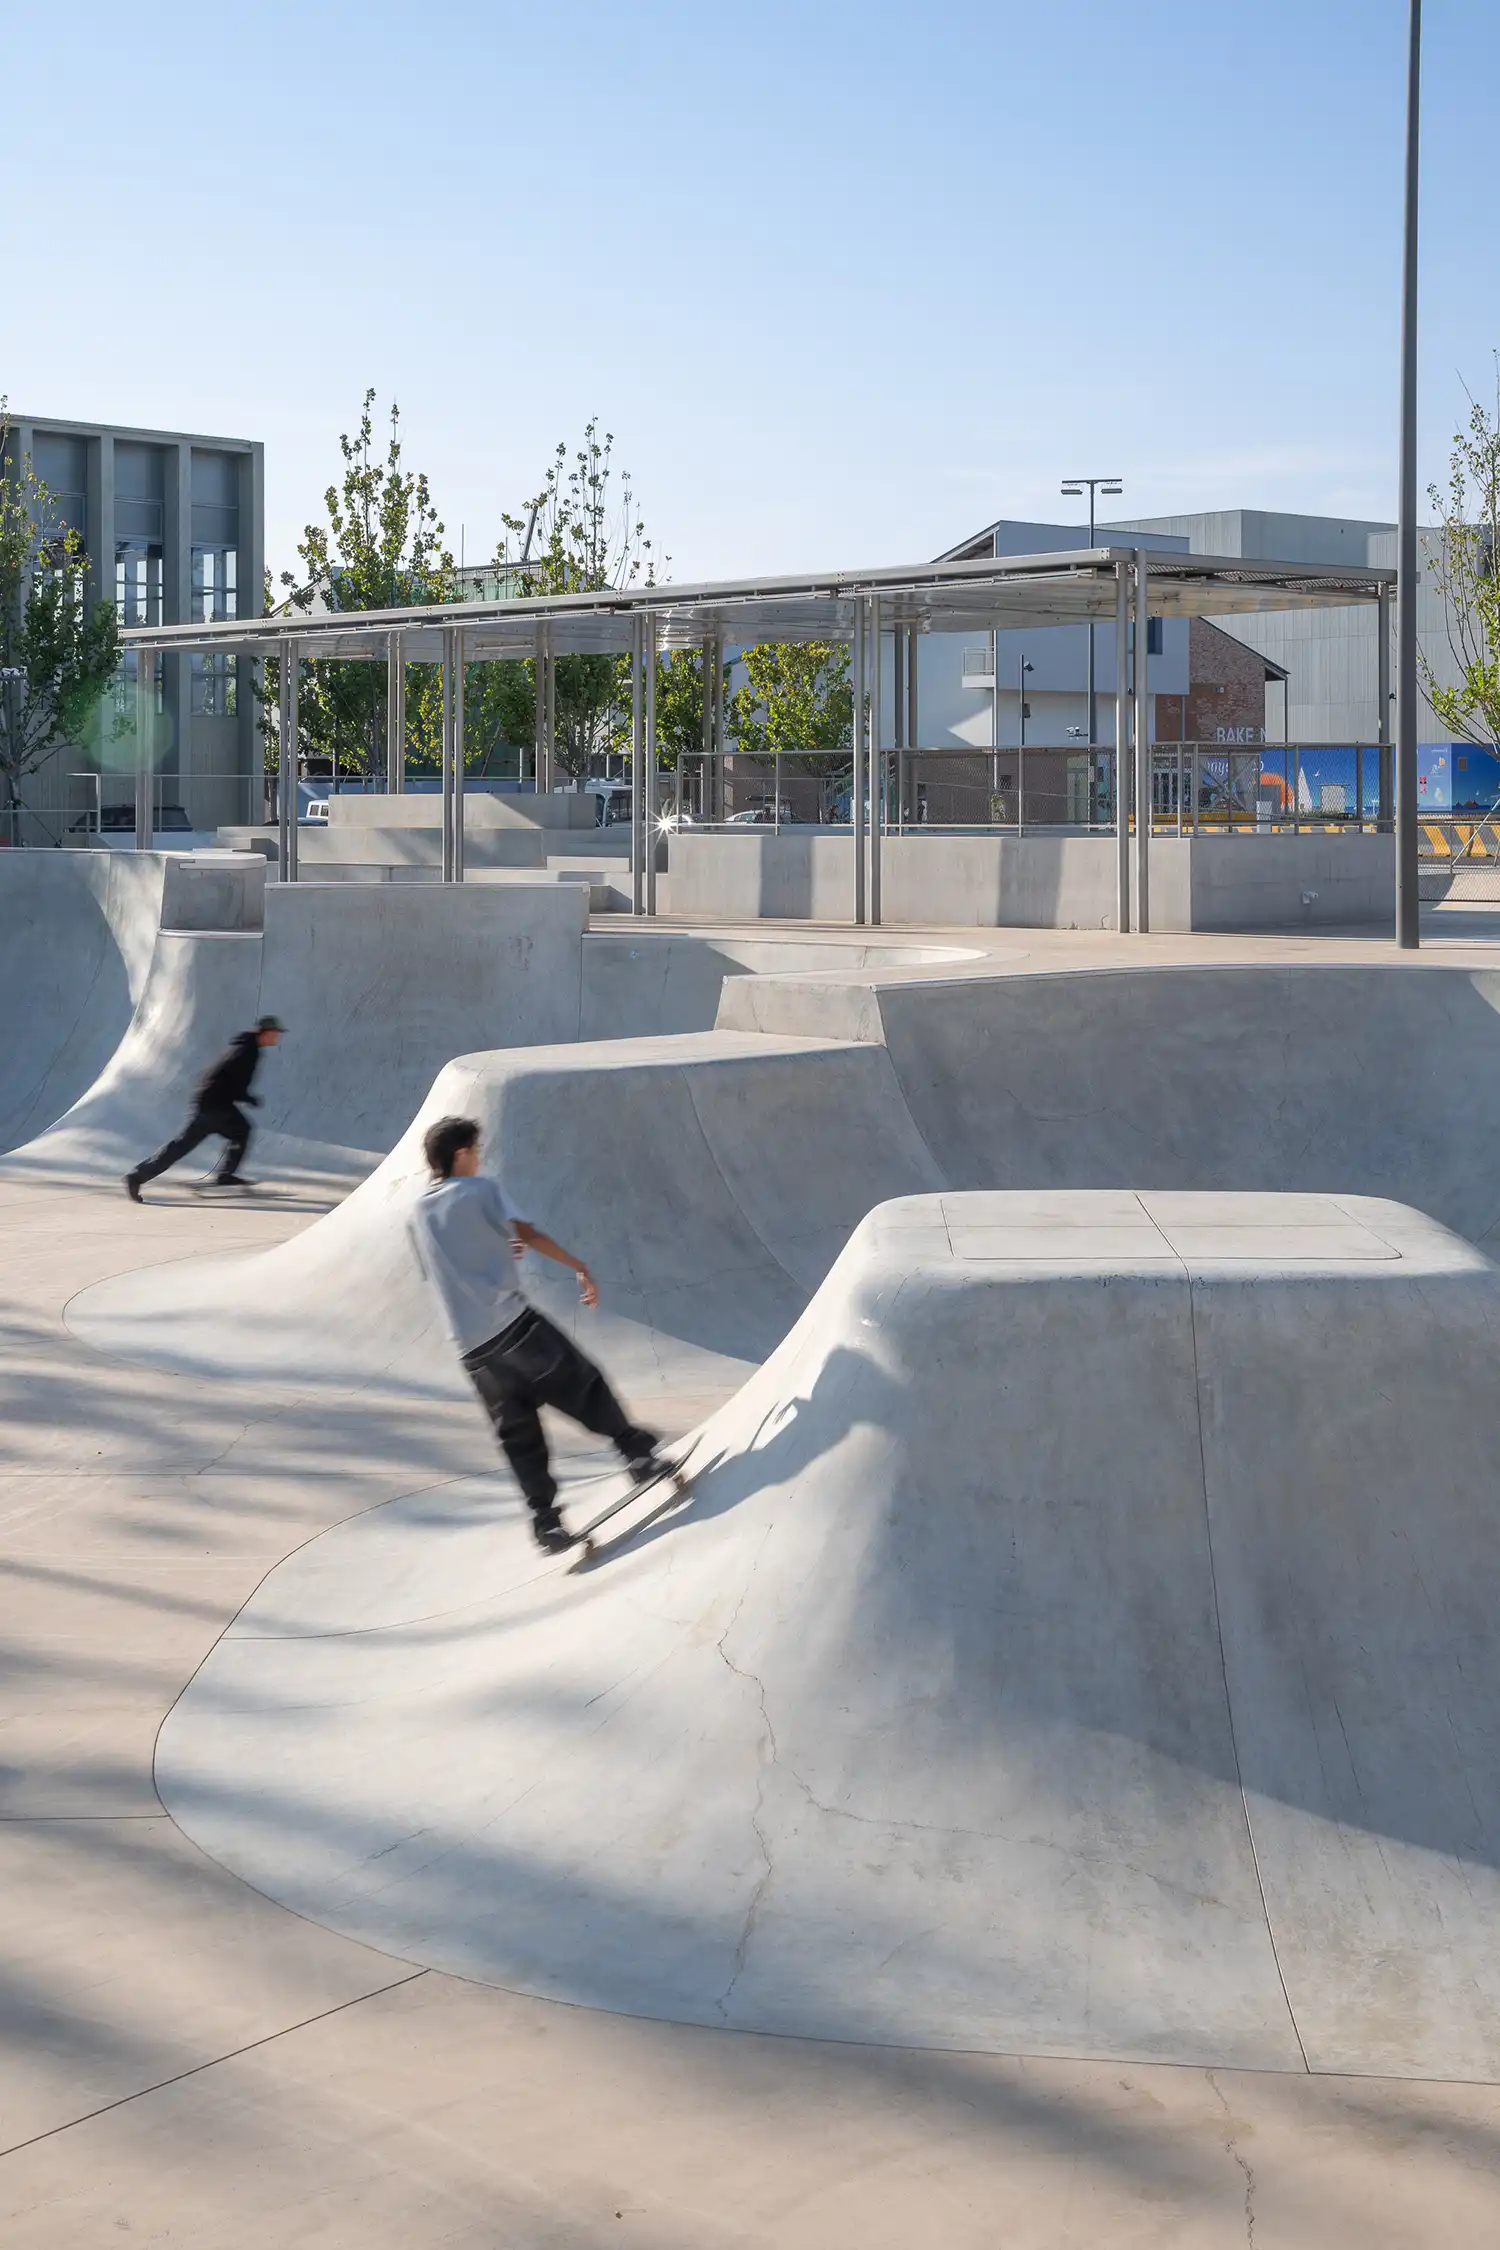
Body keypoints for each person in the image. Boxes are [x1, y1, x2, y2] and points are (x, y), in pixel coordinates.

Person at [408, 1114, 664, 1553]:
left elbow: (443, 1264)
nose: (479, 1160)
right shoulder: (480, 1189)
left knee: (518, 1435)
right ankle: (637, 1454)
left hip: (473, 1350)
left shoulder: (416, 1212)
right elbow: (525, 1232)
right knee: (582, 1384)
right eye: (477, 1151)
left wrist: (494, 1249)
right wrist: (578, 1266)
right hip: (515, 1329)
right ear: (461, 1154)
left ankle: (546, 1522)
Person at [124, 1016, 285, 1201]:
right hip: (216, 1105)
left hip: (210, 1102)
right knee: (240, 1131)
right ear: (264, 1033)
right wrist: (248, 1098)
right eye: (274, 1034)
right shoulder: (247, 1052)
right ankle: (225, 1175)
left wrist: (242, 1096)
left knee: (182, 1145)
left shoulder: (246, 1047)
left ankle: (137, 1176)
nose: (277, 1037)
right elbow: (233, 1083)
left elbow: (226, 1079)